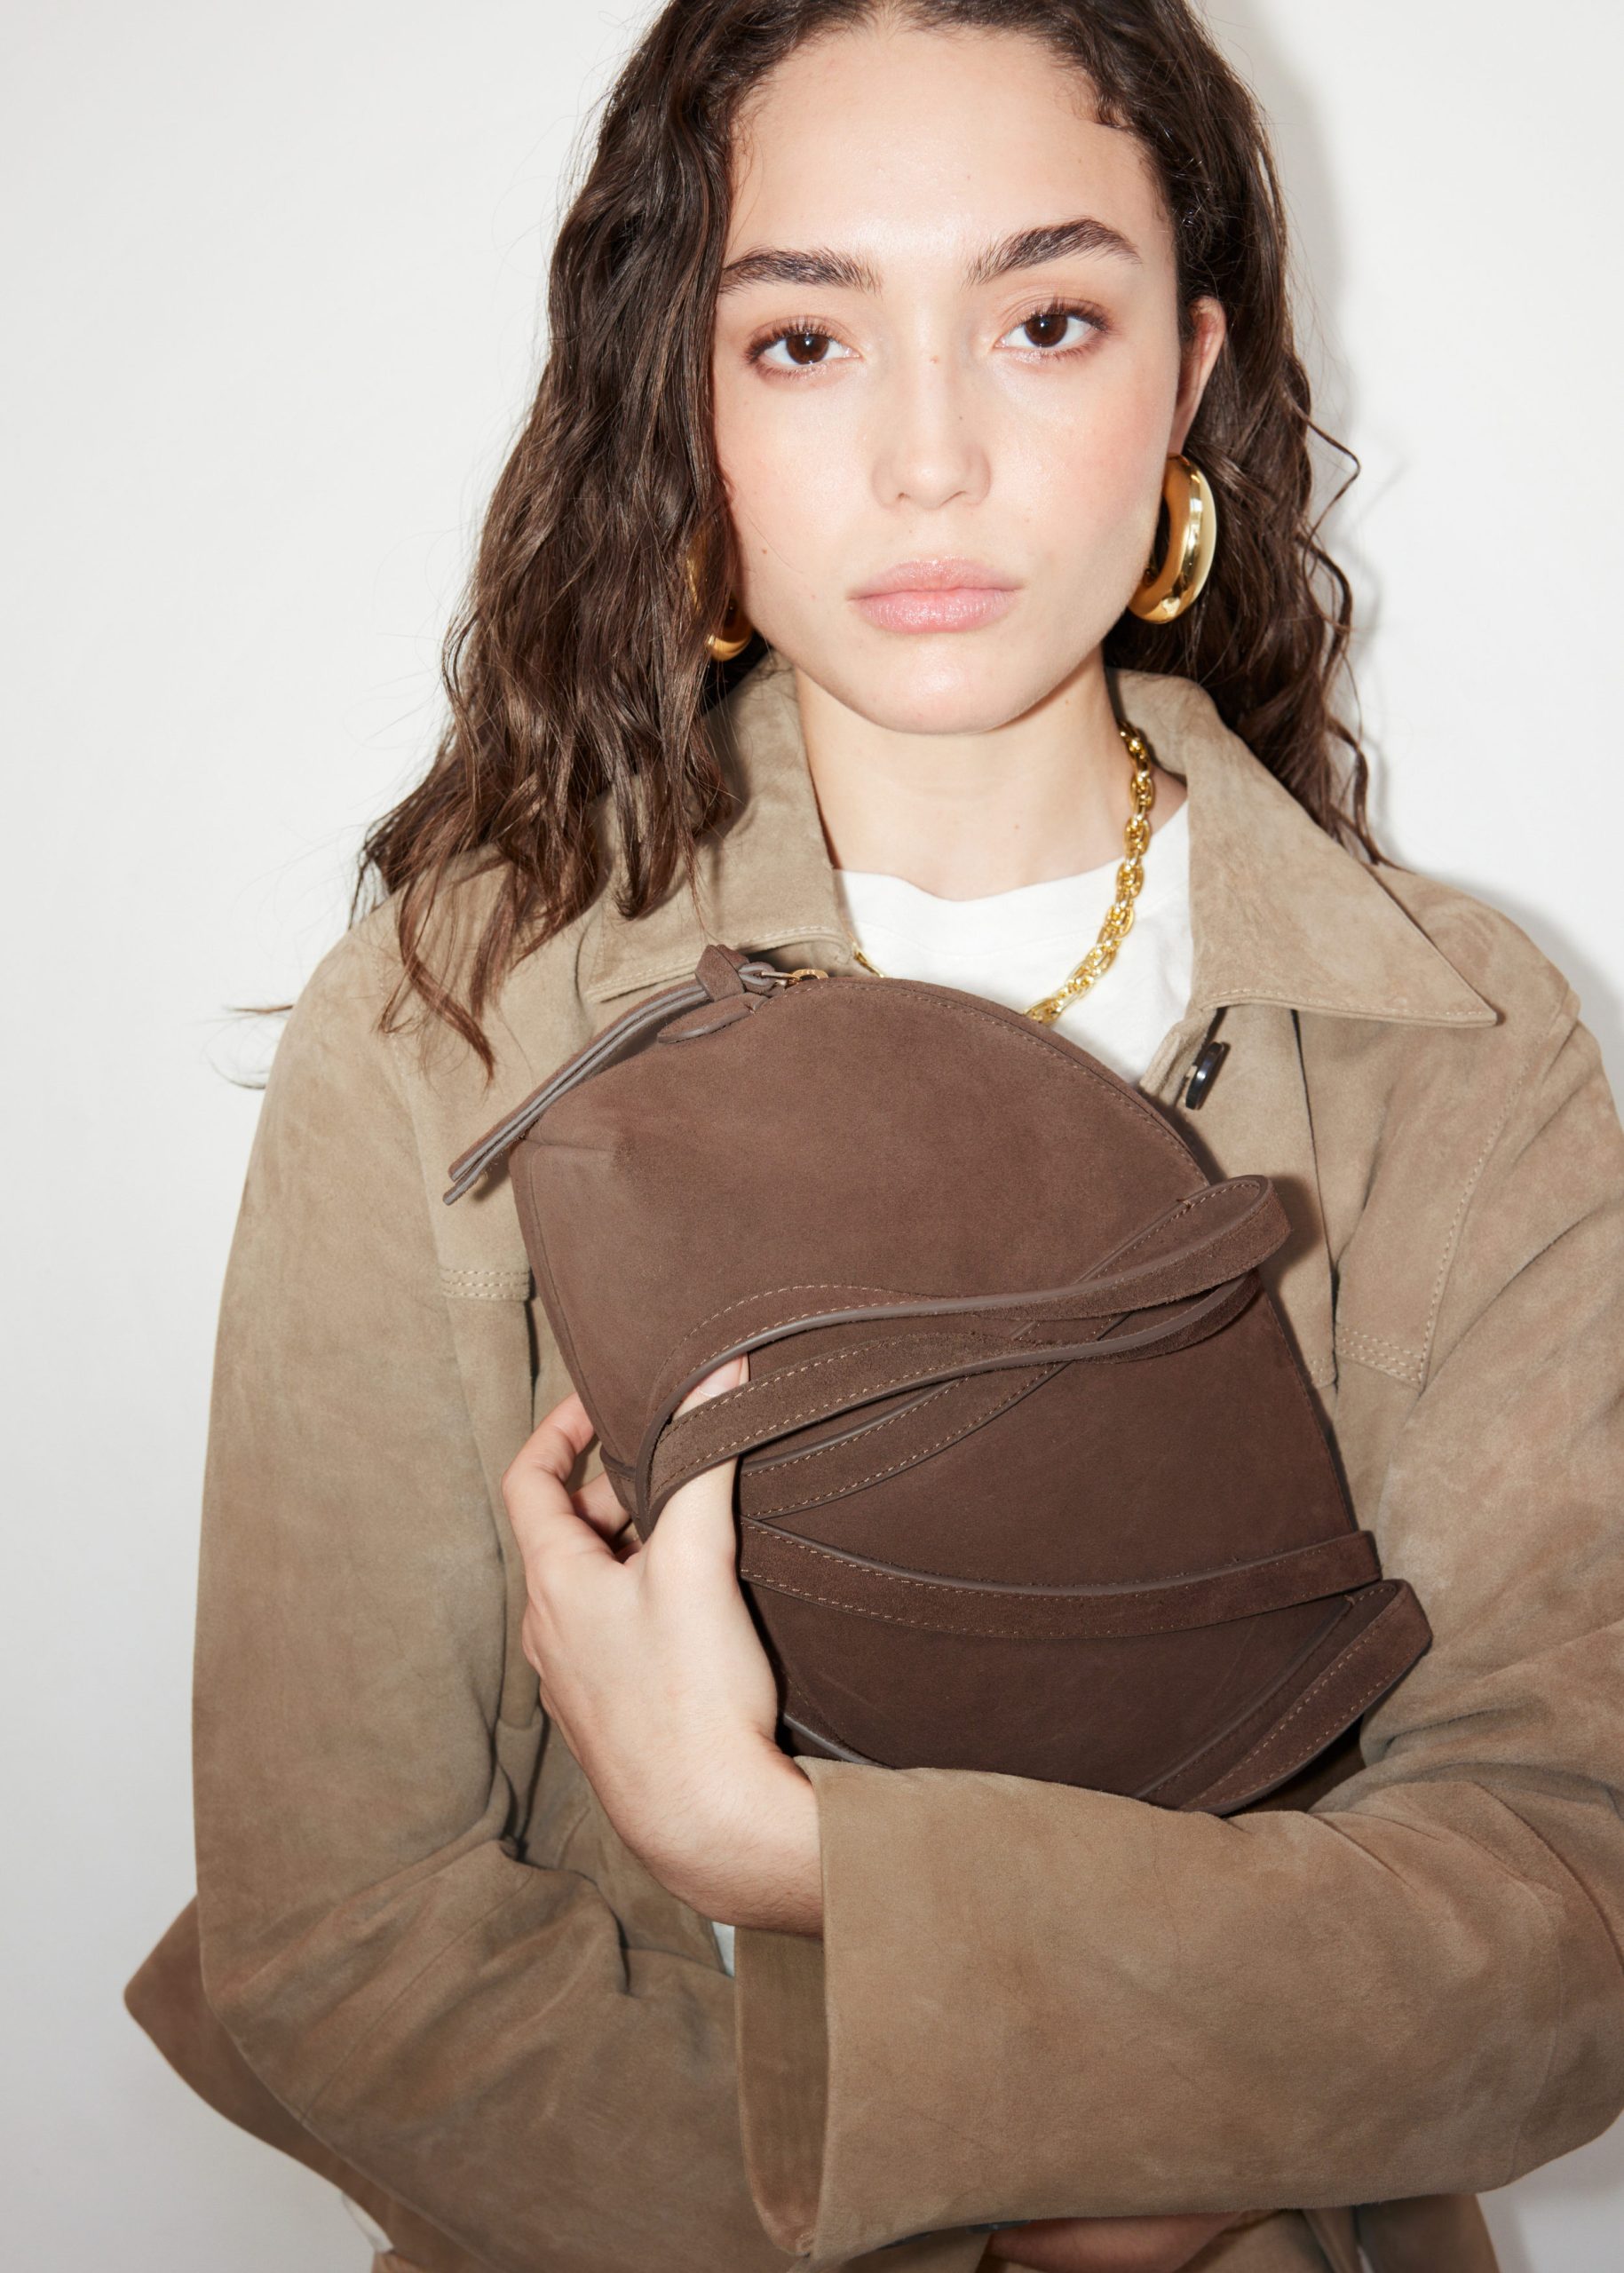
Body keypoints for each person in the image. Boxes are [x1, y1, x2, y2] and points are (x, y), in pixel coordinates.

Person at [123, 5, 1624, 2272]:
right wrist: (1049, 2226)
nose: (932, 459)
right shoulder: (446, 1025)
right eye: (807, 338)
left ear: (1191, 371)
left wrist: (790, 1854)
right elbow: (342, 1941)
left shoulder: (1463, 1038)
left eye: (1046, 321)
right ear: (689, 402)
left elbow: (1566, 1909)